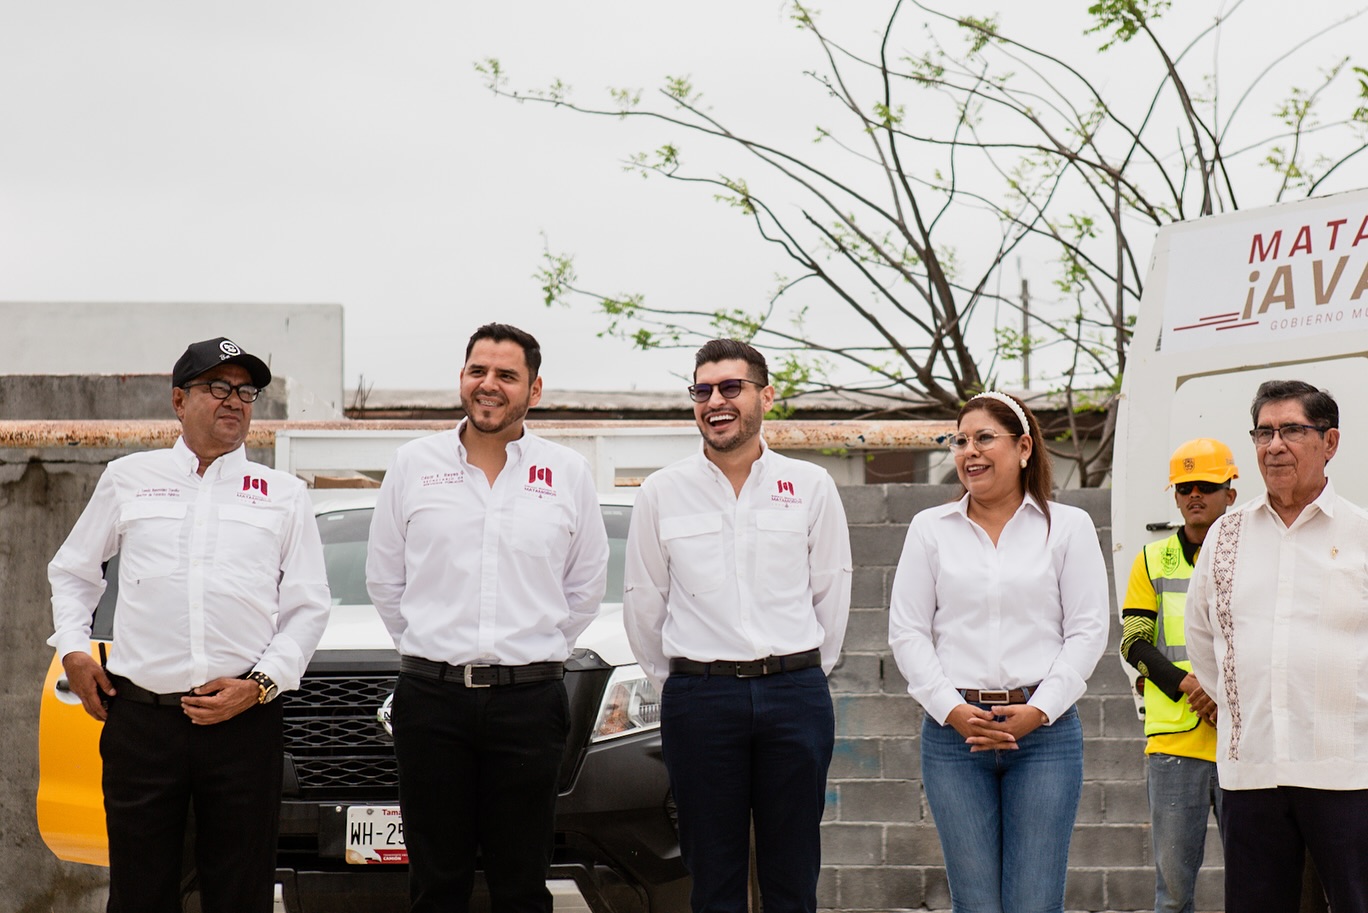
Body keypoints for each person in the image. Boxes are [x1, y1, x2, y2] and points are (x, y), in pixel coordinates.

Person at [48, 336, 331, 913]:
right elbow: (74, 571)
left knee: (240, 893)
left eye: (246, 392)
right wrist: (75, 649)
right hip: (143, 725)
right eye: (218, 387)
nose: (235, 401)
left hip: (243, 726)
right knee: (140, 893)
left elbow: (308, 606)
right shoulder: (128, 478)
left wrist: (260, 685)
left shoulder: (283, 495)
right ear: (179, 400)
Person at [365, 323, 609, 913]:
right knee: (436, 885)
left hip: (530, 703)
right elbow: (385, 578)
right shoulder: (413, 464)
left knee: (521, 884)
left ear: (534, 389)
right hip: (431, 701)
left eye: (506, 375)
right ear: (462, 379)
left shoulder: (568, 473)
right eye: (478, 371)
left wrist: (530, 652)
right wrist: (433, 650)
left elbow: (585, 586)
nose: (489, 384)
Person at [622, 338, 852, 913]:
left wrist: (800, 673)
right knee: (712, 877)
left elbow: (831, 592)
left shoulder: (810, 486)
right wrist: (682, 685)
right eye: (702, 390)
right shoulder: (661, 492)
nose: (715, 401)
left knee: (793, 876)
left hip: (794, 694)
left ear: (765, 397)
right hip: (701, 700)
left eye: (731, 387)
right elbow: (644, 603)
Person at [887, 390, 1109, 913]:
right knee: (976, 903)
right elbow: (908, 631)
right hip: (954, 738)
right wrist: (951, 709)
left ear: (1024, 447)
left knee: (1035, 902)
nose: (970, 451)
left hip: (1045, 735)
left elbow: (1087, 630)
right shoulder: (930, 529)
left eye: (984, 438)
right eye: (960, 441)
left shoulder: (1068, 527)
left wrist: (1039, 709)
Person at [1186, 380, 1368, 913]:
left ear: (1330, 442)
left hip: (1347, 772)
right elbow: (1204, 641)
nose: (1274, 445)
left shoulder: (1360, 534)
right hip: (1253, 772)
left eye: (1291, 430)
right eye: (1264, 433)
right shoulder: (1226, 536)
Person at [1120, 439, 1237, 913]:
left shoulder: (1252, 554)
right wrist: (1191, 685)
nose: (1194, 495)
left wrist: (1221, 694)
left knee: (1258, 886)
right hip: (1174, 747)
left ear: (1230, 492)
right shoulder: (1151, 560)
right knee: (1172, 895)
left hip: (1242, 742)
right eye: (1185, 487)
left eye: (1206, 485)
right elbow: (1134, 642)